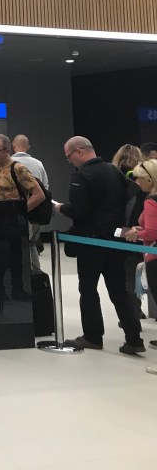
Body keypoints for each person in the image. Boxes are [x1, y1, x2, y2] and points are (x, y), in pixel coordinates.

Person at [53, 136, 144, 354]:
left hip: (90, 241)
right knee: (119, 290)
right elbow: (132, 197)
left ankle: (93, 337)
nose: (70, 161)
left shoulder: (82, 176)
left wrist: (61, 208)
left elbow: (79, 210)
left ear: (78, 152)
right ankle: (134, 339)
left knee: (88, 289)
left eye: (69, 157)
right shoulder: (114, 171)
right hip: (115, 240)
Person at [0, 134, 44, 300]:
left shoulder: (18, 169)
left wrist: (20, 211)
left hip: (13, 221)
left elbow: (39, 195)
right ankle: (0, 291)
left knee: (15, 258)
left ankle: (17, 290)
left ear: (6, 151)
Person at [124, 158, 157, 351]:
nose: (137, 182)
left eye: (140, 178)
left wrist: (137, 233)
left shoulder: (151, 201)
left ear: (150, 179)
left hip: (154, 256)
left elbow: (152, 232)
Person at [112, 144, 147, 321]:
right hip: (142, 233)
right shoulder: (144, 182)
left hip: (124, 234)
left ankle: (132, 315)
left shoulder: (115, 179)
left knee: (129, 277)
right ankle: (135, 311)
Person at [11, 134, 49, 269]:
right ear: (28, 147)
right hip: (36, 211)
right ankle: (36, 275)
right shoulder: (38, 164)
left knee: (15, 245)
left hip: (14, 212)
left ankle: (20, 275)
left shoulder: (8, 164)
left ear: (13, 146)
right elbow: (45, 188)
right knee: (32, 244)